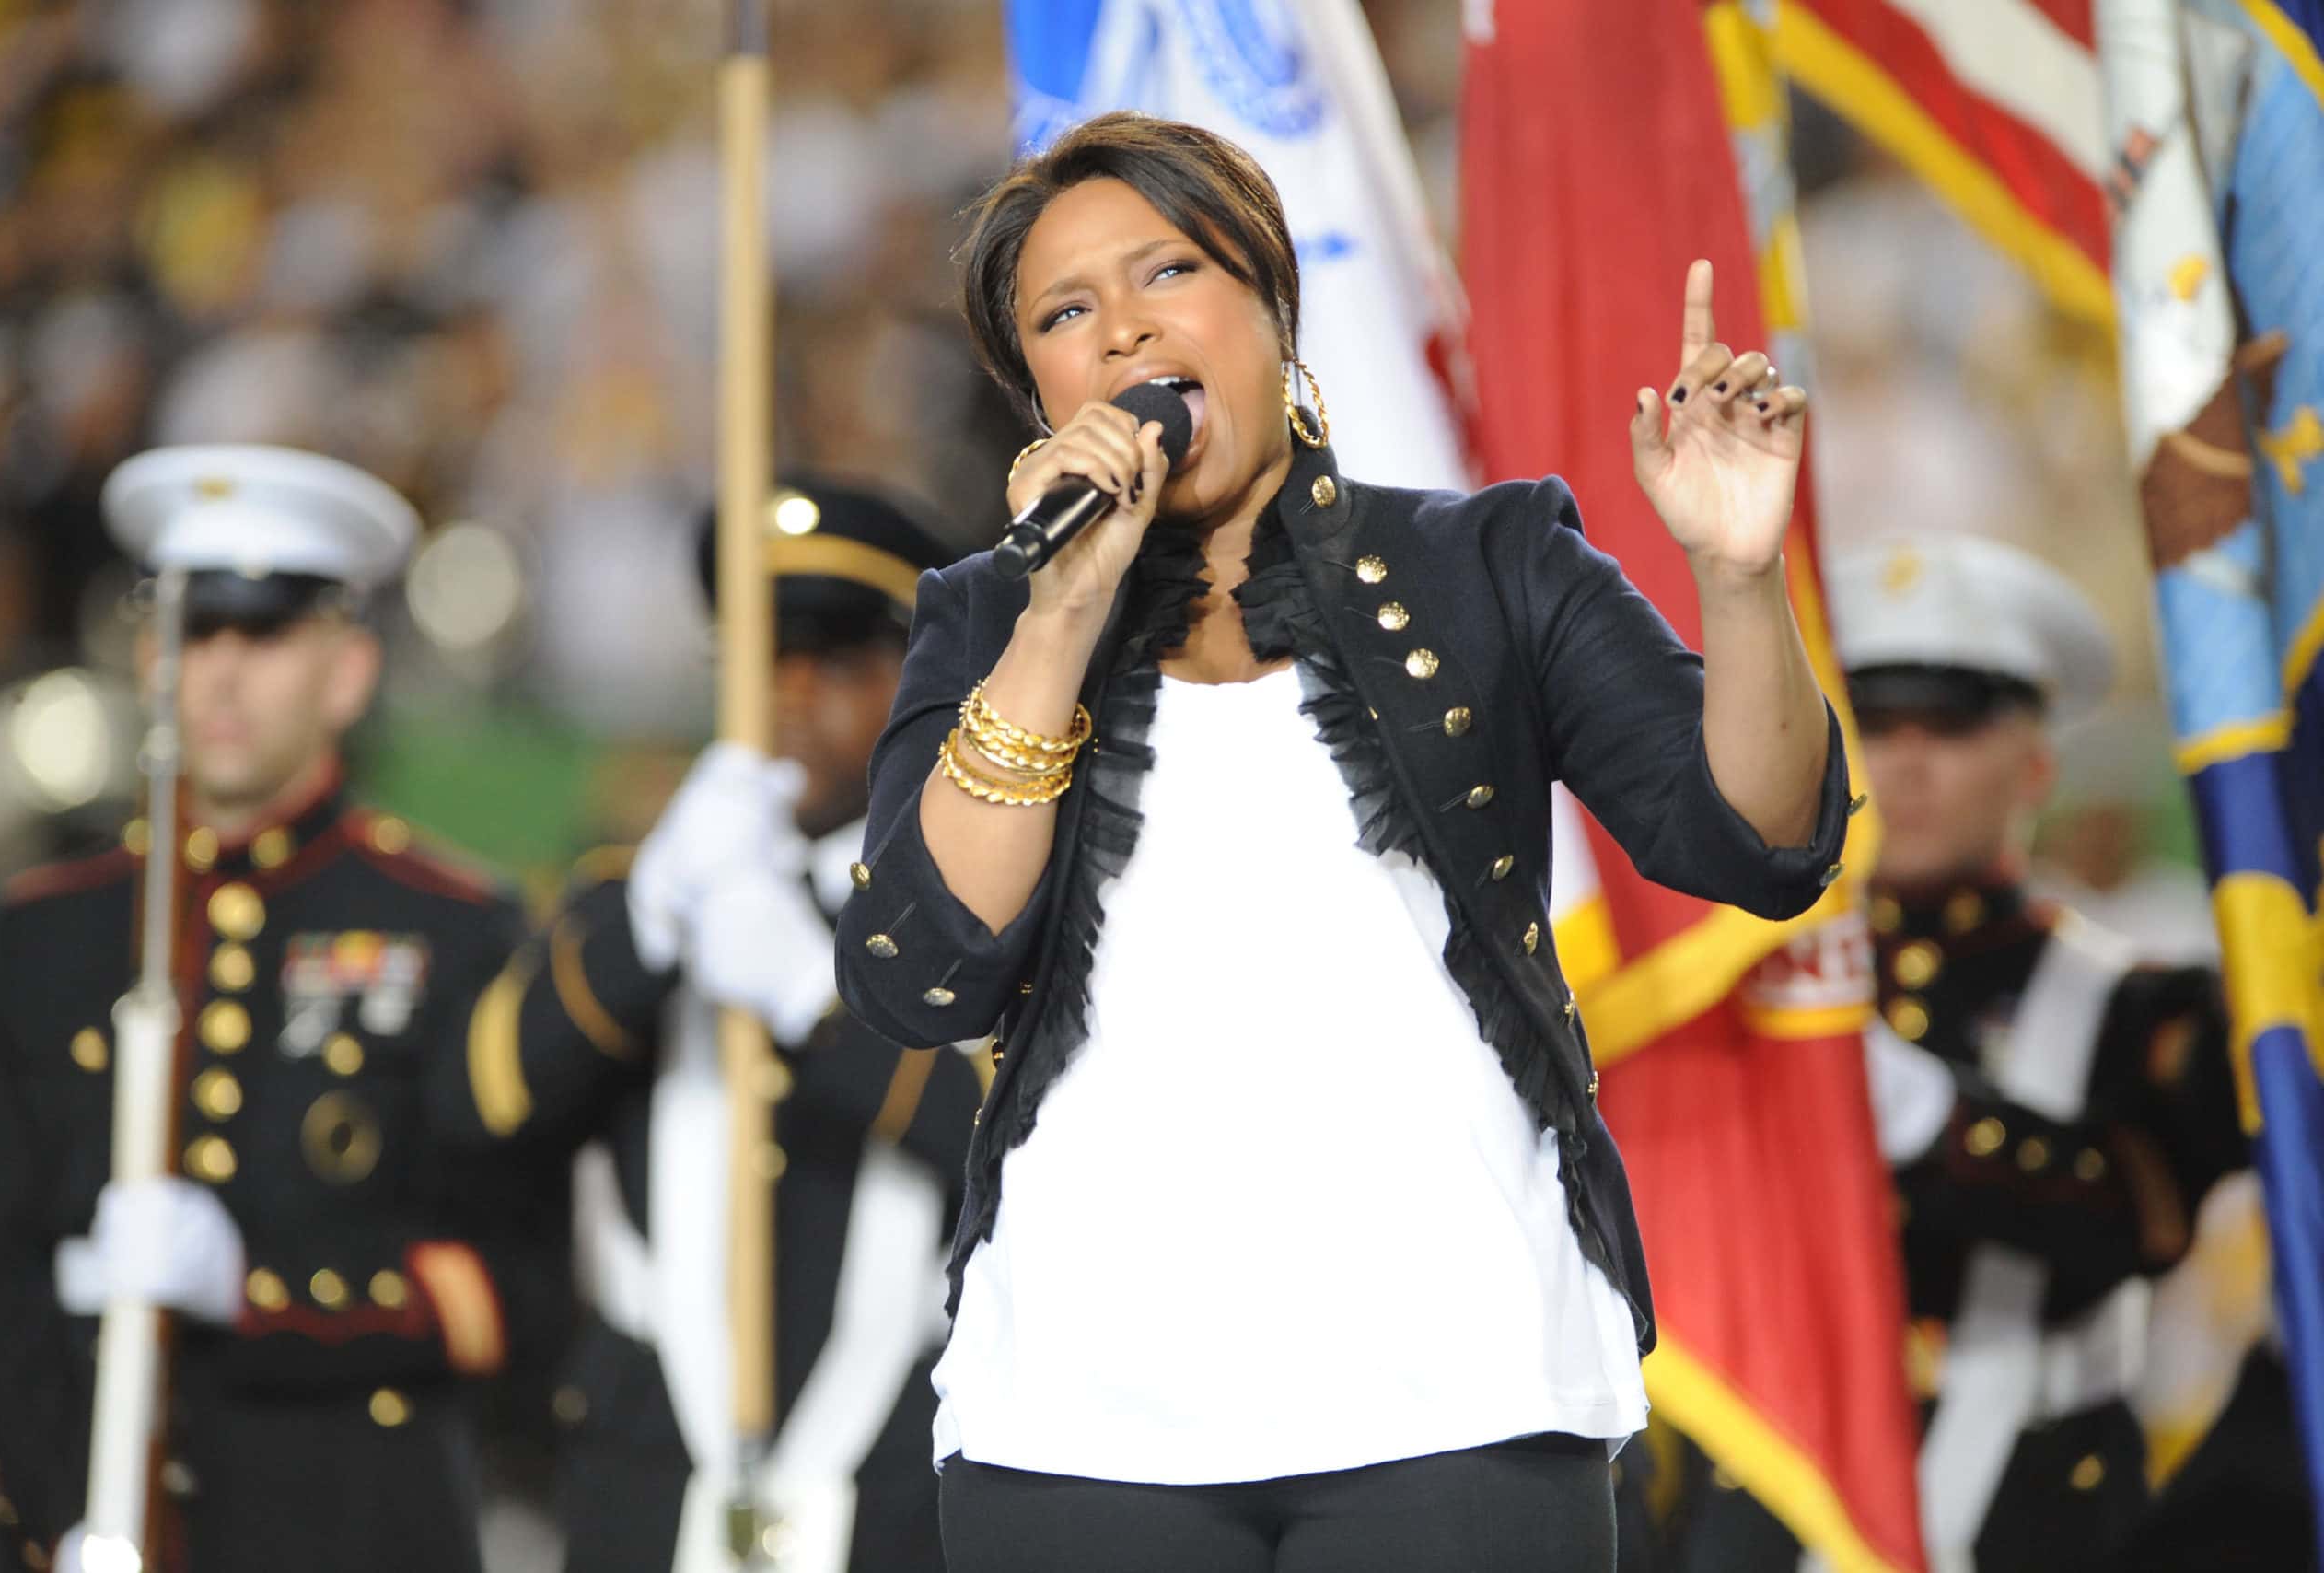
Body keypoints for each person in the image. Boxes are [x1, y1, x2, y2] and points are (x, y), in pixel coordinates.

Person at [831, 111, 1853, 1573]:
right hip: (1078, 1423)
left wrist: (1741, 578)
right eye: (1067, 314)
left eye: (1166, 272)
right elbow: (920, 975)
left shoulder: (1489, 563)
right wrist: (1059, 610)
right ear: (1038, 388)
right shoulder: (992, 620)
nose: (1123, 332)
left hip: (1460, 1403)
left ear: (1269, 303)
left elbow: (1757, 842)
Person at [0, 444, 566, 1573]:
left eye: (266, 634)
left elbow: (517, 1292)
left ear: (346, 668)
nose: (222, 675)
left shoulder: (452, 927)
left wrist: (256, 1294)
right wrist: (62, 1518)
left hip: (350, 1523)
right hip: (85, 1514)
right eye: (196, 634)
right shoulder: (46, 930)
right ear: (150, 657)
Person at [1665, 530, 2260, 1573]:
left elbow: (2141, 1217)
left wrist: (1927, 1119)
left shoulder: (2141, 1004)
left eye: (1948, 723)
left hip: (2029, 1501)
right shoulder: (1739, 980)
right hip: (1763, 1488)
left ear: (2034, 760)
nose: (1904, 761)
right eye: (1876, 721)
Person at [436, 481, 981, 1573]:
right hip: (648, 1479)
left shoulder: (977, 917)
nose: (784, 693)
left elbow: (1011, 1151)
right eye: (755, 657)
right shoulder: (630, 899)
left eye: (831, 657)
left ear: (919, 682)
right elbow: (478, 1106)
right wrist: (649, 923)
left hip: (896, 1485)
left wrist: (822, 1004)